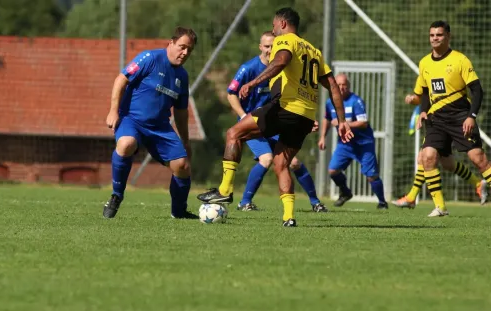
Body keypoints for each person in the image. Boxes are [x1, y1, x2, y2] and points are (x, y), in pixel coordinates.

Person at [197, 7, 352, 227]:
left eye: (273, 25)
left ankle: (224, 191)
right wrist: (342, 120)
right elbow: (333, 86)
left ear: (282, 24)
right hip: (305, 116)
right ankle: (289, 217)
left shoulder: (285, 40)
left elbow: (280, 61)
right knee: (281, 163)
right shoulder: (314, 51)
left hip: (286, 107)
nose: (273, 30)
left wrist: (253, 83)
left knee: (234, 133)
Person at [226, 31, 328, 212]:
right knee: (266, 159)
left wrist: (302, 119)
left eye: (273, 46)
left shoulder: (285, 67)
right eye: (266, 46)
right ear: (260, 47)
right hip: (254, 121)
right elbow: (231, 93)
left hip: (275, 119)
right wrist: (243, 116)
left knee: (293, 163)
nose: (270, 50)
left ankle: (315, 202)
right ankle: (244, 202)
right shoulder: (249, 68)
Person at [103, 27, 198, 219]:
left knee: (182, 166)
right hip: (131, 119)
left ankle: (179, 212)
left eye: (189, 49)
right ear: (170, 43)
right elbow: (121, 80)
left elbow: (180, 112)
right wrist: (113, 111)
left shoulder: (183, 76)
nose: (185, 53)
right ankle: (116, 196)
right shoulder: (149, 58)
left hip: (160, 127)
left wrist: (185, 141)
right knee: (126, 144)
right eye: (182, 47)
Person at [416, 20, 491, 216]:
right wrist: (423, 110)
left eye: (439, 35)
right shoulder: (424, 62)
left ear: (448, 36)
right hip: (437, 120)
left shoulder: (460, 60)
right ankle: (440, 207)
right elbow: (424, 91)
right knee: (428, 156)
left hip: (460, 117)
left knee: (478, 158)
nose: (435, 38)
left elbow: (478, 91)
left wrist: (471, 116)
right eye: (432, 35)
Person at [393, 91, 487, 208]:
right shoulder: (425, 74)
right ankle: (477, 183)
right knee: (448, 164)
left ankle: (412, 197)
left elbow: (424, 95)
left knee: (424, 156)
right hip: (437, 120)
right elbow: (422, 96)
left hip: (445, 118)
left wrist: (415, 99)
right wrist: (413, 99)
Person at [318, 74, 388, 209]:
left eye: (344, 84)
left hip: (363, 143)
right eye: (338, 85)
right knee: (333, 170)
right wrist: (322, 137)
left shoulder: (356, 101)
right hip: (345, 144)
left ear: (348, 86)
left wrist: (344, 123)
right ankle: (345, 192)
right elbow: (327, 119)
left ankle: (382, 202)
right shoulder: (330, 102)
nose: (341, 87)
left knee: (371, 176)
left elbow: (363, 123)